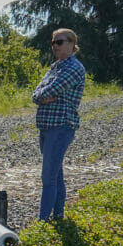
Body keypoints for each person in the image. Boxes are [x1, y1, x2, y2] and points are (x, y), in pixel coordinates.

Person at [31, 28, 85, 221]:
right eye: (53, 42)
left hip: (61, 127)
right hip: (47, 126)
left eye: (60, 42)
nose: (55, 46)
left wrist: (42, 96)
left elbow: (51, 90)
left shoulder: (74, 68)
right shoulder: (55, 67)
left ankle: (43, 221)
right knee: (55, 173)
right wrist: (41, 96)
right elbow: (37, 92)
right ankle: (58, 216)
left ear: (71, 44)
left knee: (48, 177)